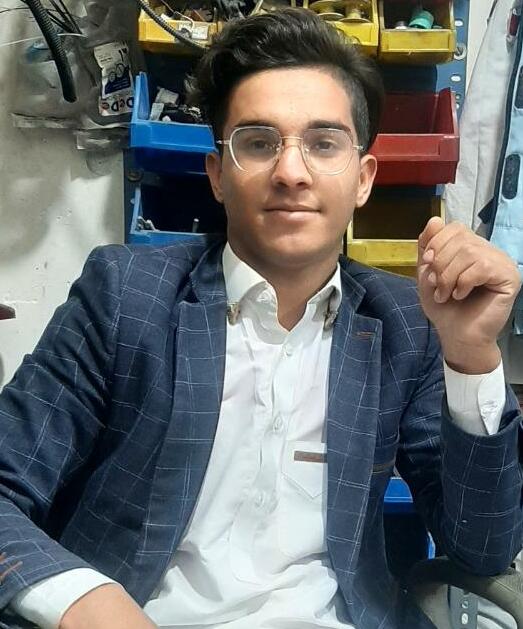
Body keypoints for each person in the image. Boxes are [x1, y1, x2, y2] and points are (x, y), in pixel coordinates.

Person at [0, 8, 521, 629]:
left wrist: (471, 357)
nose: (291, 172)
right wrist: (84, 600)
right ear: (218, 175)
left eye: (323, 144)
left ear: (363, 178)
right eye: (257, 142)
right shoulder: (125, 297)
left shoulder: (404, 325)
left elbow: (481, 549)